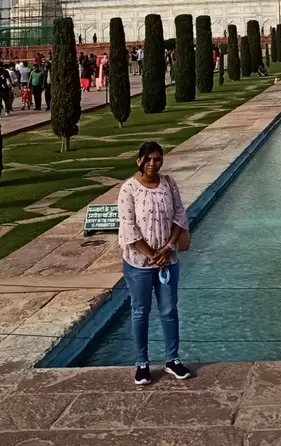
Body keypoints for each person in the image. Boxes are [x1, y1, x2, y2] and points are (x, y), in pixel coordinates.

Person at [116, 141, 193, 386]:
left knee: (169, 310)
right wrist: (152, 254)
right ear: (139, 160)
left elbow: (180, 214)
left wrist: (168, 248)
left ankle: (172, 359)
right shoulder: (129, 189)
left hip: (168, 261)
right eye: (148, 159)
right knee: (140, 312)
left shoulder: (169, 184)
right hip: (139, 263)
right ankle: (142, 363)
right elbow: (129, 226)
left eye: (157, 159)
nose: (152, 164)